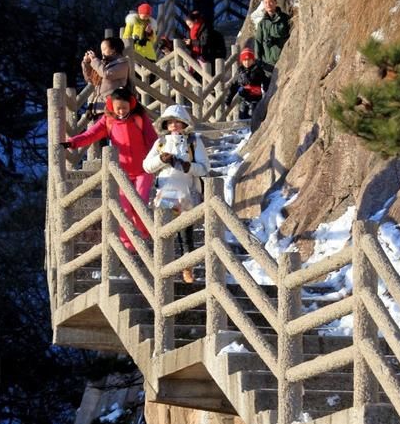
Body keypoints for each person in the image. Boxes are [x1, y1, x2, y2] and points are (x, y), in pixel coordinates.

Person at [61, 88, 157, 252]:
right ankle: (128, 245)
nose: (121, 111)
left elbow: (153, 140)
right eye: (117, 108)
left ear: (131, 104)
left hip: (144, 170)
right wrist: (72, 142)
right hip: (122, 173)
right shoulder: (108, 120)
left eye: (124, 108)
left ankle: (146, 232)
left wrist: (158, 160)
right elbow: (91, 134)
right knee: (123, 209)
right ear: (111, 106)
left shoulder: (140, 118)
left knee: (139, 204)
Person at [143, 104, 210, 284]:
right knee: (163, 231)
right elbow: (147, 166)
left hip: (185, 191)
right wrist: (161, 159)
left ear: (184, 123)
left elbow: (205, 168)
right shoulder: (160, 143)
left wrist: (189, 166)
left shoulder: (194, 141)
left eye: (177, 122)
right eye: (170, 122)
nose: (174, 125)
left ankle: (187, 268)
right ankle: (161, 268)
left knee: (185, 231)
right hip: (165, 191)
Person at [82, 36, 132, 120]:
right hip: (97, 109)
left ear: (114, 50)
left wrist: (94, 60)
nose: (102, 53)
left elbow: (107, 74)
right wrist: (87, 63)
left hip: (112, 109)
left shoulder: (123, 64)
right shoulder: (102, 65)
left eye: (104, 49)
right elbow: (90, 79)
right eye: (101, 50)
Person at [224, 47, 270, 120]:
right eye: (244, 60)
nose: (247, 62)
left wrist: (266, 90)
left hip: (255, 99)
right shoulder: (240, 72)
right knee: (242, 117)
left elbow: (265, 81)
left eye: (249, 60)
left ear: (252, 60)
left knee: (253, 117)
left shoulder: (257, 70)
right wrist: (228, 99)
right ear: (242, 61)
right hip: (243, 99)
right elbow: (234, 85)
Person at [255, 0, 290, 71]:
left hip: (284, 59)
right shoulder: (262, 23)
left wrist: (277, 40)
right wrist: (258, 60)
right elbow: (258, 42)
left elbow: (291, 36)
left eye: (271, 2)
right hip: (268, 63)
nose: (268, 4)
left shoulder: (285, 18)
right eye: (266, 2)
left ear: (275, 3)